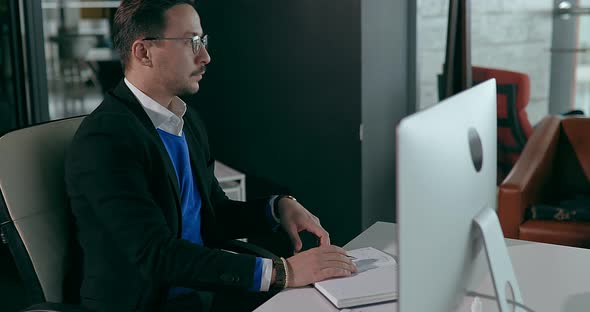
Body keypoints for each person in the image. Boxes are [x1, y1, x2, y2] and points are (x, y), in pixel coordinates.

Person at [64, 1, 356, 311]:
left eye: (202, 41)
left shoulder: (185, 121)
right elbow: (154, 254)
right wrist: (284, 272)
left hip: (199, 292)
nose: (205, 56)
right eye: (191, 42)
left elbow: (211, 216)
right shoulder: (106, 139)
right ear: (143, 52)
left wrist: (276, 208)